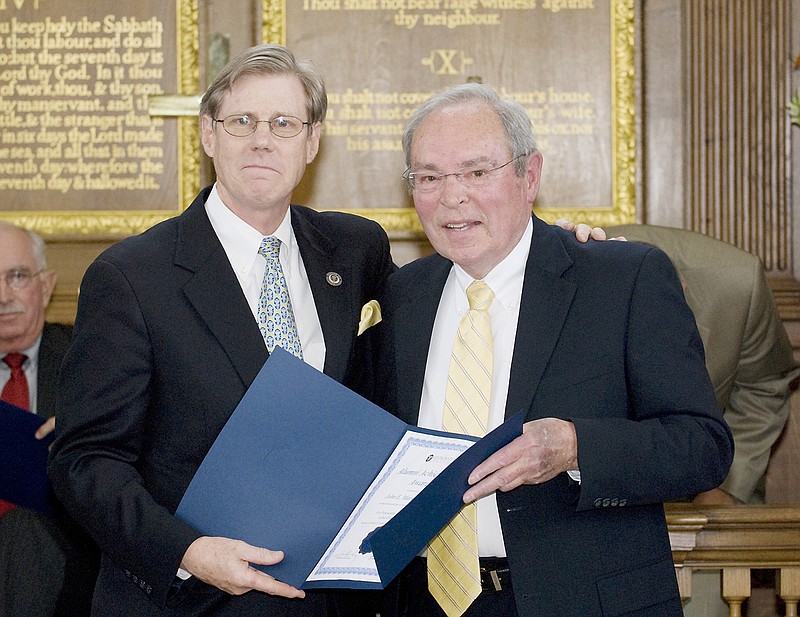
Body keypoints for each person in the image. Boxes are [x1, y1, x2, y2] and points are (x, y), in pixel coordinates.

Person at [46, 44, 397, 617]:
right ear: (209, 134)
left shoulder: (357, 249)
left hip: (333, 598)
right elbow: (86, 460)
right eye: (242, 122)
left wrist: (551, 249)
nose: (263, 140)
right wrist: (187, 551)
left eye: (284, 123)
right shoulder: (132, 275)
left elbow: (432, 318)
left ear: (312, 142)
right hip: (191, 599)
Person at [364, 83, 735, 617]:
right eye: (429, 177)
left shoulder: (620, 278)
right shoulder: (401, 296)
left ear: (529, 174)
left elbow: (702, 447)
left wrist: (576, 445)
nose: (452, 195)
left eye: (476, 172)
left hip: (581, 601)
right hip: (421, 603)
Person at [607, 223, 800, 617]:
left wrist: (726, 486)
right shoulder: (555, 280)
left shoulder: (737, 285)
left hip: (697, 503)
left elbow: (765, 384)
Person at [0, 222, 100, 616]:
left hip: (63, 552)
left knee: (22, 532)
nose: (3, 295)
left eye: (17, 277)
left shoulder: (93, 361)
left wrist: (86, 432)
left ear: (46, 286)